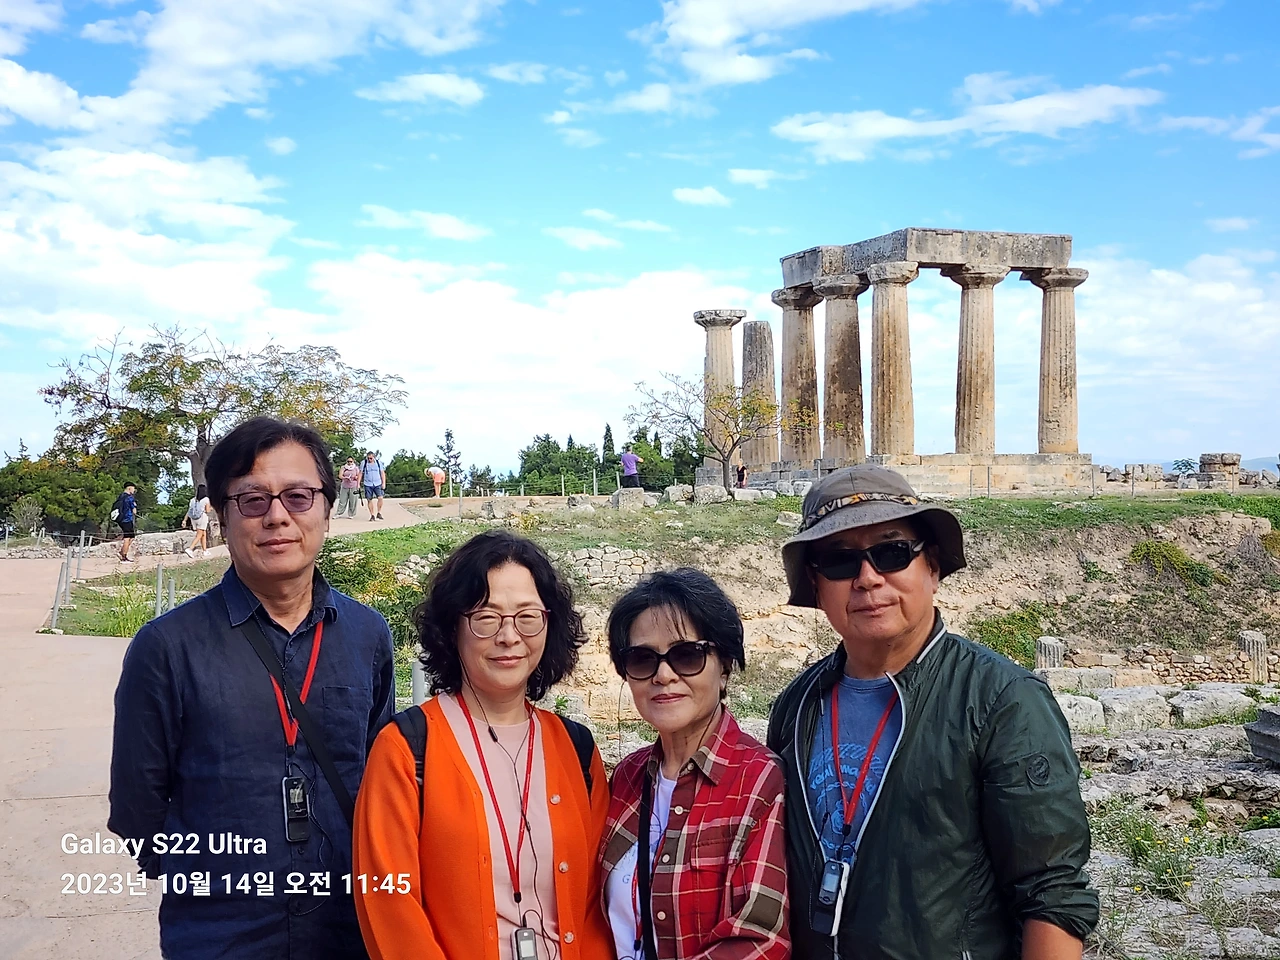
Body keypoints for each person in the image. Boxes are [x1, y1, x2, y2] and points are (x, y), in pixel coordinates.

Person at [766, 465, 1098, 959]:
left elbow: (1051, 893)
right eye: (839, 561)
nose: (867, 578)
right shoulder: (797, 705)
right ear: (815, 585)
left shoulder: (1002, 701)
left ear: (933, 567)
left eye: (892, 553)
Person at [108, 417, 396, 960]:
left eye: (298, 497)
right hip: (220, 936)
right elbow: (136, 806)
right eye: (253, 500)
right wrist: (213, 880)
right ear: (221, 517)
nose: (278, 516)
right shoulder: (167, 647)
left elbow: (383, 782)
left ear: (327, 511)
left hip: (353, 929)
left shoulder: (367, 635)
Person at [353, 530, 613, 960]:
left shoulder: (577, 748)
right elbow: (387, 900)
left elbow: (596, 903)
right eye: (486, 617)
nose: (509, 636)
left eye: (527, 616)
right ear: (452, 627)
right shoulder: (404, 749)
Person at [601, 568, 789, 960]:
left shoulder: (759, 780)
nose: (663, 675)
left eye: (687, 655)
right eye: (642, 659)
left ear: (725, 667)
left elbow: (760, 940)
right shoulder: (627, 778)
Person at [183, 483, 213, 558]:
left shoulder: (192, 500)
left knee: (203, 534)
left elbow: (189, 511)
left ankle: (205, 550)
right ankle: (190, 549)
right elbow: (208, 510)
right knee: (199, 534)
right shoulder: (206, 499)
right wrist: (212, 508)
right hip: (202, 518)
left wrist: (185, 520)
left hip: (194, 519)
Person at [113, 482, 138, 562]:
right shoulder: (130, 498)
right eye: (133, 488)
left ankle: (122, 552)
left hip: (120, 519)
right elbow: (134, 511)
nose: (134, 490)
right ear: (129, 488)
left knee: (131, 536)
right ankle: (123, 555)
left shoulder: (120, 496)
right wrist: (134, 507)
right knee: (128, 537)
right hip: (127, 519)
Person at [362, 451, 386, 521]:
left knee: (380, 497)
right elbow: (360, 473)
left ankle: (379, 512)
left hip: (377, 483)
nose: (369, 460)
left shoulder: (378, 463)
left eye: (371, 458)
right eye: (368, 458)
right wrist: (358, 483)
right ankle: (372, 515)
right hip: (368, 483)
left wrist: (383, 483)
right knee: (369, 499)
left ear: (374, 457)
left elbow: (382, 473)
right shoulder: (364, 463)